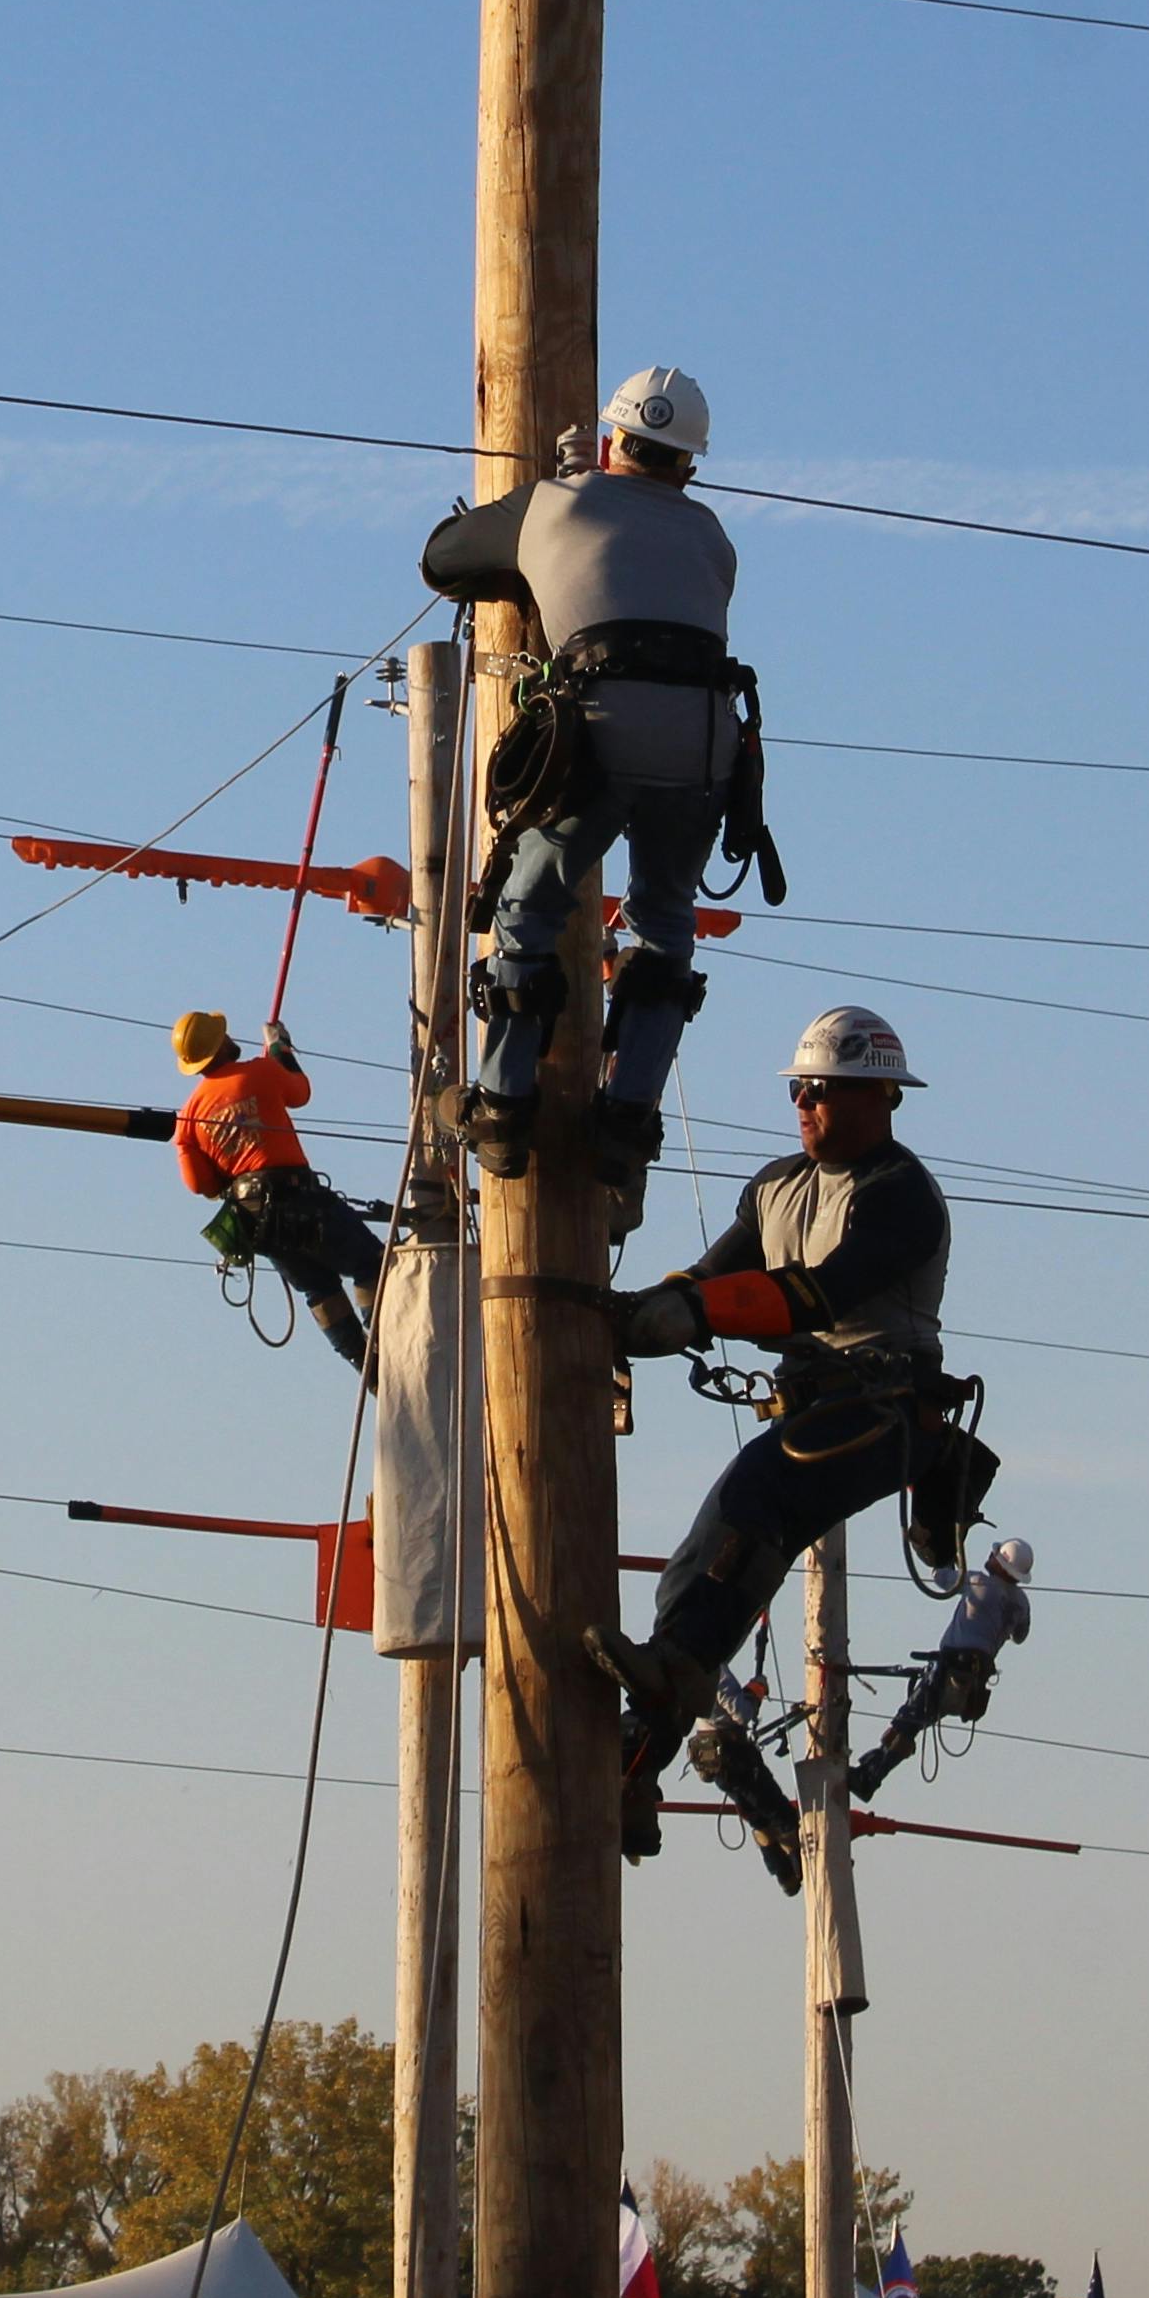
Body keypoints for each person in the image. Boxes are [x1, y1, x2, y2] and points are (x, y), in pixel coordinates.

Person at [585, 1008, 988, 1887]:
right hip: (814, 1410)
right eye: (799, 1090)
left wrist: (692, 1314)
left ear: (881, 1096)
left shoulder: (899, 1193)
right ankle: (637, 1751)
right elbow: (720, 1269)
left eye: (823, 1091)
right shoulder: (775, 1187)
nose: (804, 1105)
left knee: (754, 1501)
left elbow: (820, 1292)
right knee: (717, 1560)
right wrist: (643, 1311)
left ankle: (671, 1677)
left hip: (886, 1413)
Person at [416, 367, 780, 1208]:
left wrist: (559, 487)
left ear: (615, 438)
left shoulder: (557, 504)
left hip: (595, 737)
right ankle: (625, 1124)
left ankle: (504, 1108)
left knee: (527, 911)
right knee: (663, 927)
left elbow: (443, 560)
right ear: (691, 464)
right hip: (702, 746)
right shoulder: (714, 534)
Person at [168, 1010, 382, 1368]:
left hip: (258, 1222)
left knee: (319, 1289)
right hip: (300, 1198)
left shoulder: (188, 1119)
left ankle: (366, 1366)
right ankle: (384, 1337)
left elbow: (200, 1185)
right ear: (218, 1045)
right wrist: (280, 1048)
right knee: (371, 1263)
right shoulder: (259, 1071)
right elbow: (300, 1092)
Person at [847, 1534, 1033, 1801]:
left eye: (996, 1556)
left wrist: (947, 1552)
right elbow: (1020, 1636)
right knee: (911, 1724)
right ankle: (870, 1771)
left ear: (1002, 1564)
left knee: (907, 1723)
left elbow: (939, 1576)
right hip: (973, 1683)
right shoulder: (1021, 1602)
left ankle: (869, 1778)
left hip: (949, 1671)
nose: (990, 1557)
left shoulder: (979, 1581)